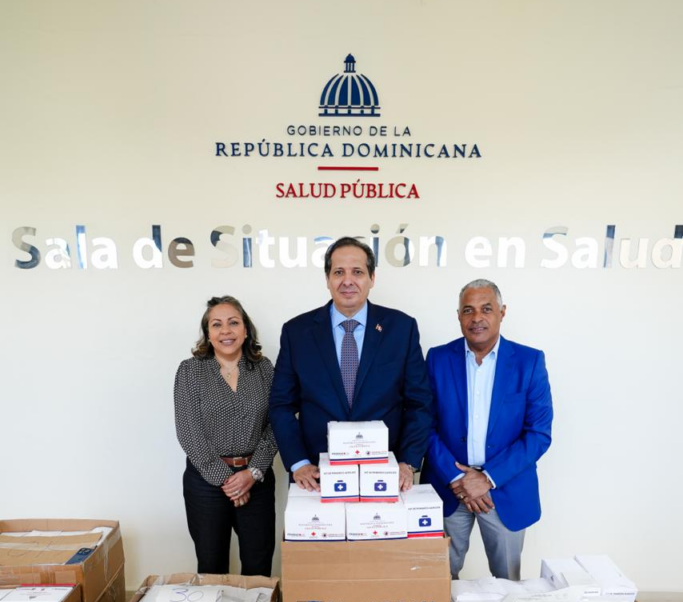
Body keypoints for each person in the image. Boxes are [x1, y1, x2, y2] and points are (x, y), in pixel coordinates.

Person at [269, 236, 432, 491]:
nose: (347, 281)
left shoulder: (401, 328)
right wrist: (299, 462)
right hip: (316, 476)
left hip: (385, 474)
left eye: (357, 272)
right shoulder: (297, 332)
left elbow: (419, 403)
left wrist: (407, 462)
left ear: (372, 278)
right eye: (338, 272)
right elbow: (281, 405)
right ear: (327, 279)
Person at [422, 279, 552, 580]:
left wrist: (487, 478)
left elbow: (538, 434)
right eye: (468, 310)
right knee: (436, 582)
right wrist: (458, 478)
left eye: (486, 309)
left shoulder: (529, 362)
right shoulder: (437, 359)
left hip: (505, 489)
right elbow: (423, 424)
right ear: (458, 316)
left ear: (502, 312)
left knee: (508, 584)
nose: (476, 318)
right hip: (448, 488)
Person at [174, 296, 277, 576]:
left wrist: (252, 474)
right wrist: (228, 482)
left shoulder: (264, 369)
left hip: (257, 479)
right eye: (217, 324)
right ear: (208, 333)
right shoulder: (190, 371)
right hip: (205, 484)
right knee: (212, 566)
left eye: (233, 322)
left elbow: (276, 424)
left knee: (258, 567)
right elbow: (189, 431)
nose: (226, 331)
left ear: (246, 330)